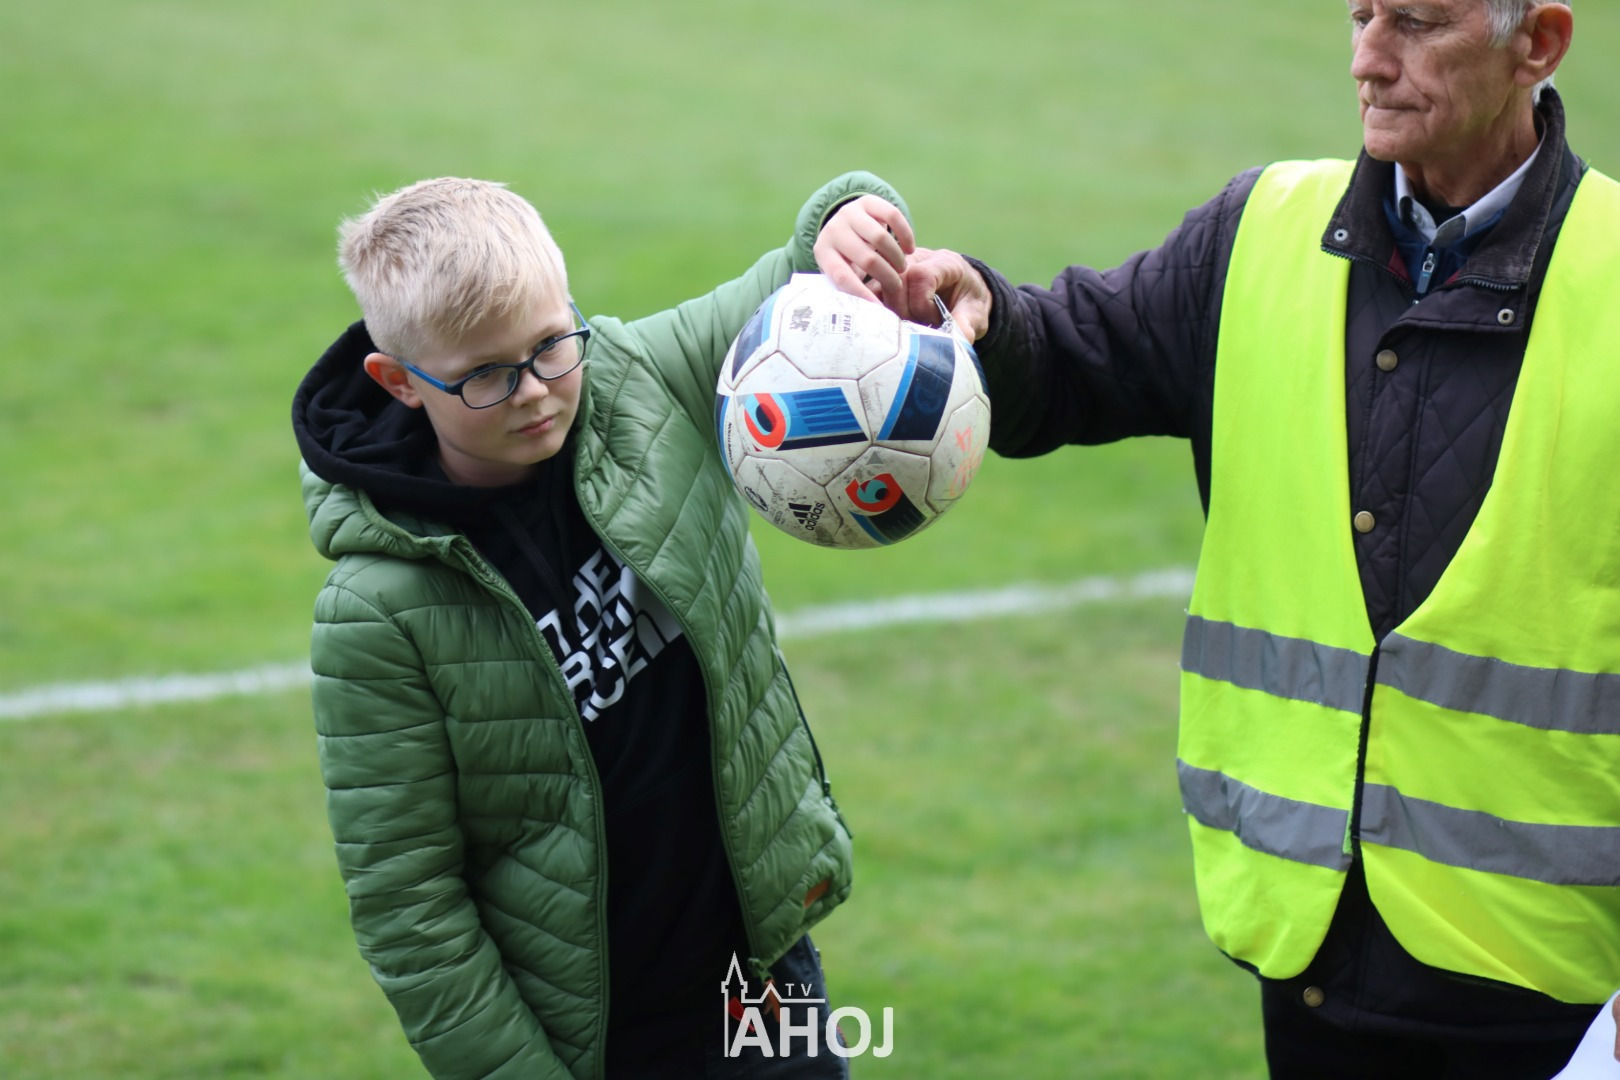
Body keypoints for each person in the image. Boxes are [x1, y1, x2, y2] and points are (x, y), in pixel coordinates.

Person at [828, 1, 1619, 1076]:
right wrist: (985, 315)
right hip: (1305, 957)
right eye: (1361, 14)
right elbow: (1071, 361)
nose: (1367, 59)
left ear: (1539, 45)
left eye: (1416, 23)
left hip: (1548, 1002)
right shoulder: (1258, 231)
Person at [290, 171, 913, 1079]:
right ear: (400, 383)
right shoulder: (376, 611)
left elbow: (797, 274)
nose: (535, 391)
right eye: (486, 375)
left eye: (551, 345)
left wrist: (847, 217)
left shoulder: (640, 384)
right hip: (595, 1042)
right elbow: (408, 907)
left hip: (762, 979)